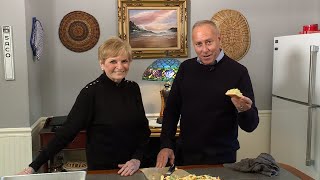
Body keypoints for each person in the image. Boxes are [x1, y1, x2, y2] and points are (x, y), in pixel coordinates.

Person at [18, 37, 151, 176]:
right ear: (102, 64)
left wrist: (137, 159)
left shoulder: (133, 88)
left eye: (124, 61)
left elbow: (143, 131)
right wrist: (33, 167)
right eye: (113, 61)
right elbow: (66, 133)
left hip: (134, 168)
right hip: (104, 171)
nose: (120, 66)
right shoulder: (90, 93)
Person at [156, 20, 259, 167]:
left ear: (219, 39)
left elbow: (251, 126)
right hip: (187, 154)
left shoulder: (238, 72)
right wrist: (166, 144)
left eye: (209, 42)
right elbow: (172, 110)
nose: (204, 49)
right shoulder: (186, 68)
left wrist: (244, 109)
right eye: (199, 44)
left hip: (222, 157)